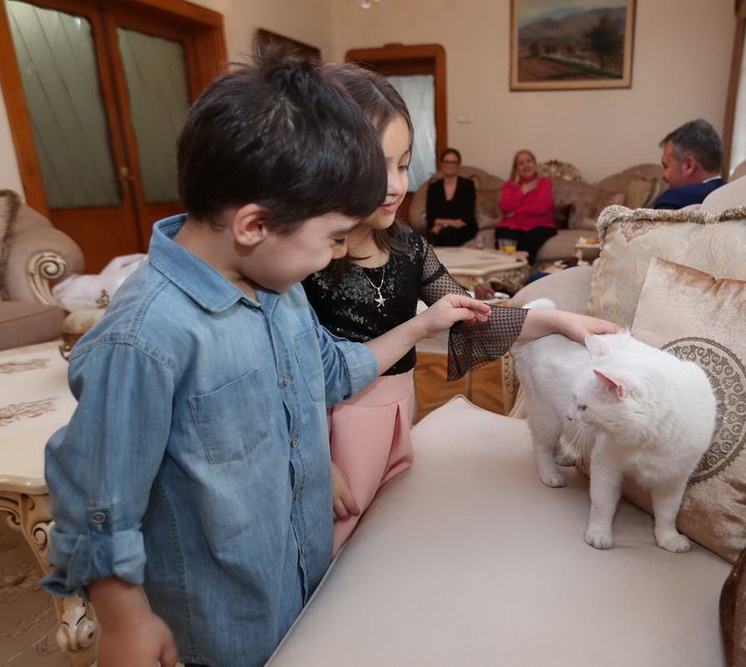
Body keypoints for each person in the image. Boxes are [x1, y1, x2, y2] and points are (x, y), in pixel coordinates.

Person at [41, 52, 489, 667]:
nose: (334, 258)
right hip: (219, 619)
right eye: (331, 238)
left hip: (299, 577)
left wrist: (424, 324)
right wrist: (124, 619)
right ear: (254, 225)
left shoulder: (277, 292)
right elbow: (95, 495)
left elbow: (329, 374)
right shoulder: (147, 337)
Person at [302, 64, 621, 554]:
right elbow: (293, 376)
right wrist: (314, 461)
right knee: (332, 546)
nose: (394, 186)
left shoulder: (408, 245)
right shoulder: (307, 257)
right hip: (329, 430)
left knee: (378, 541)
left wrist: (558, 320)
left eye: (404, 165)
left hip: (396, 413)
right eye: (376, 167)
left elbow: (470, 318)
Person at [495, 149, 556, 265]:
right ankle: (504, 274)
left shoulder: (544, 183)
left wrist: (516, 210)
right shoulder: (509, 185)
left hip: (539, 225)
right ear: (516, 169)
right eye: (521, 163)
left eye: (528, 161)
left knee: (528, 242)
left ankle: (522, 277)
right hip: (512, 225)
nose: (525, 166)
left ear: (534, 164)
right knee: (504, 237)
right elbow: (505, 207)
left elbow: (542, 207)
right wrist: (523, 191)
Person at [651, 119, 726, 210]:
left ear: (689, 166)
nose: (663, 175)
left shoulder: (674, 200)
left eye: (666, 166)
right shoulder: (735, 197)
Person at [426, 147, 478, 247]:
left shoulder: (468, 185)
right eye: (447, 162)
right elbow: (430, 217)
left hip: (463, 228)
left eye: (453, 162)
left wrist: (443, 224)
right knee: (433, 237)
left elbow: (468, 215)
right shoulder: (434, 187)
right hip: (441, 228)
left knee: (445, 233)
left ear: (458, 165)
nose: (450, 165)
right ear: (442, 164)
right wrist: (449, 223)